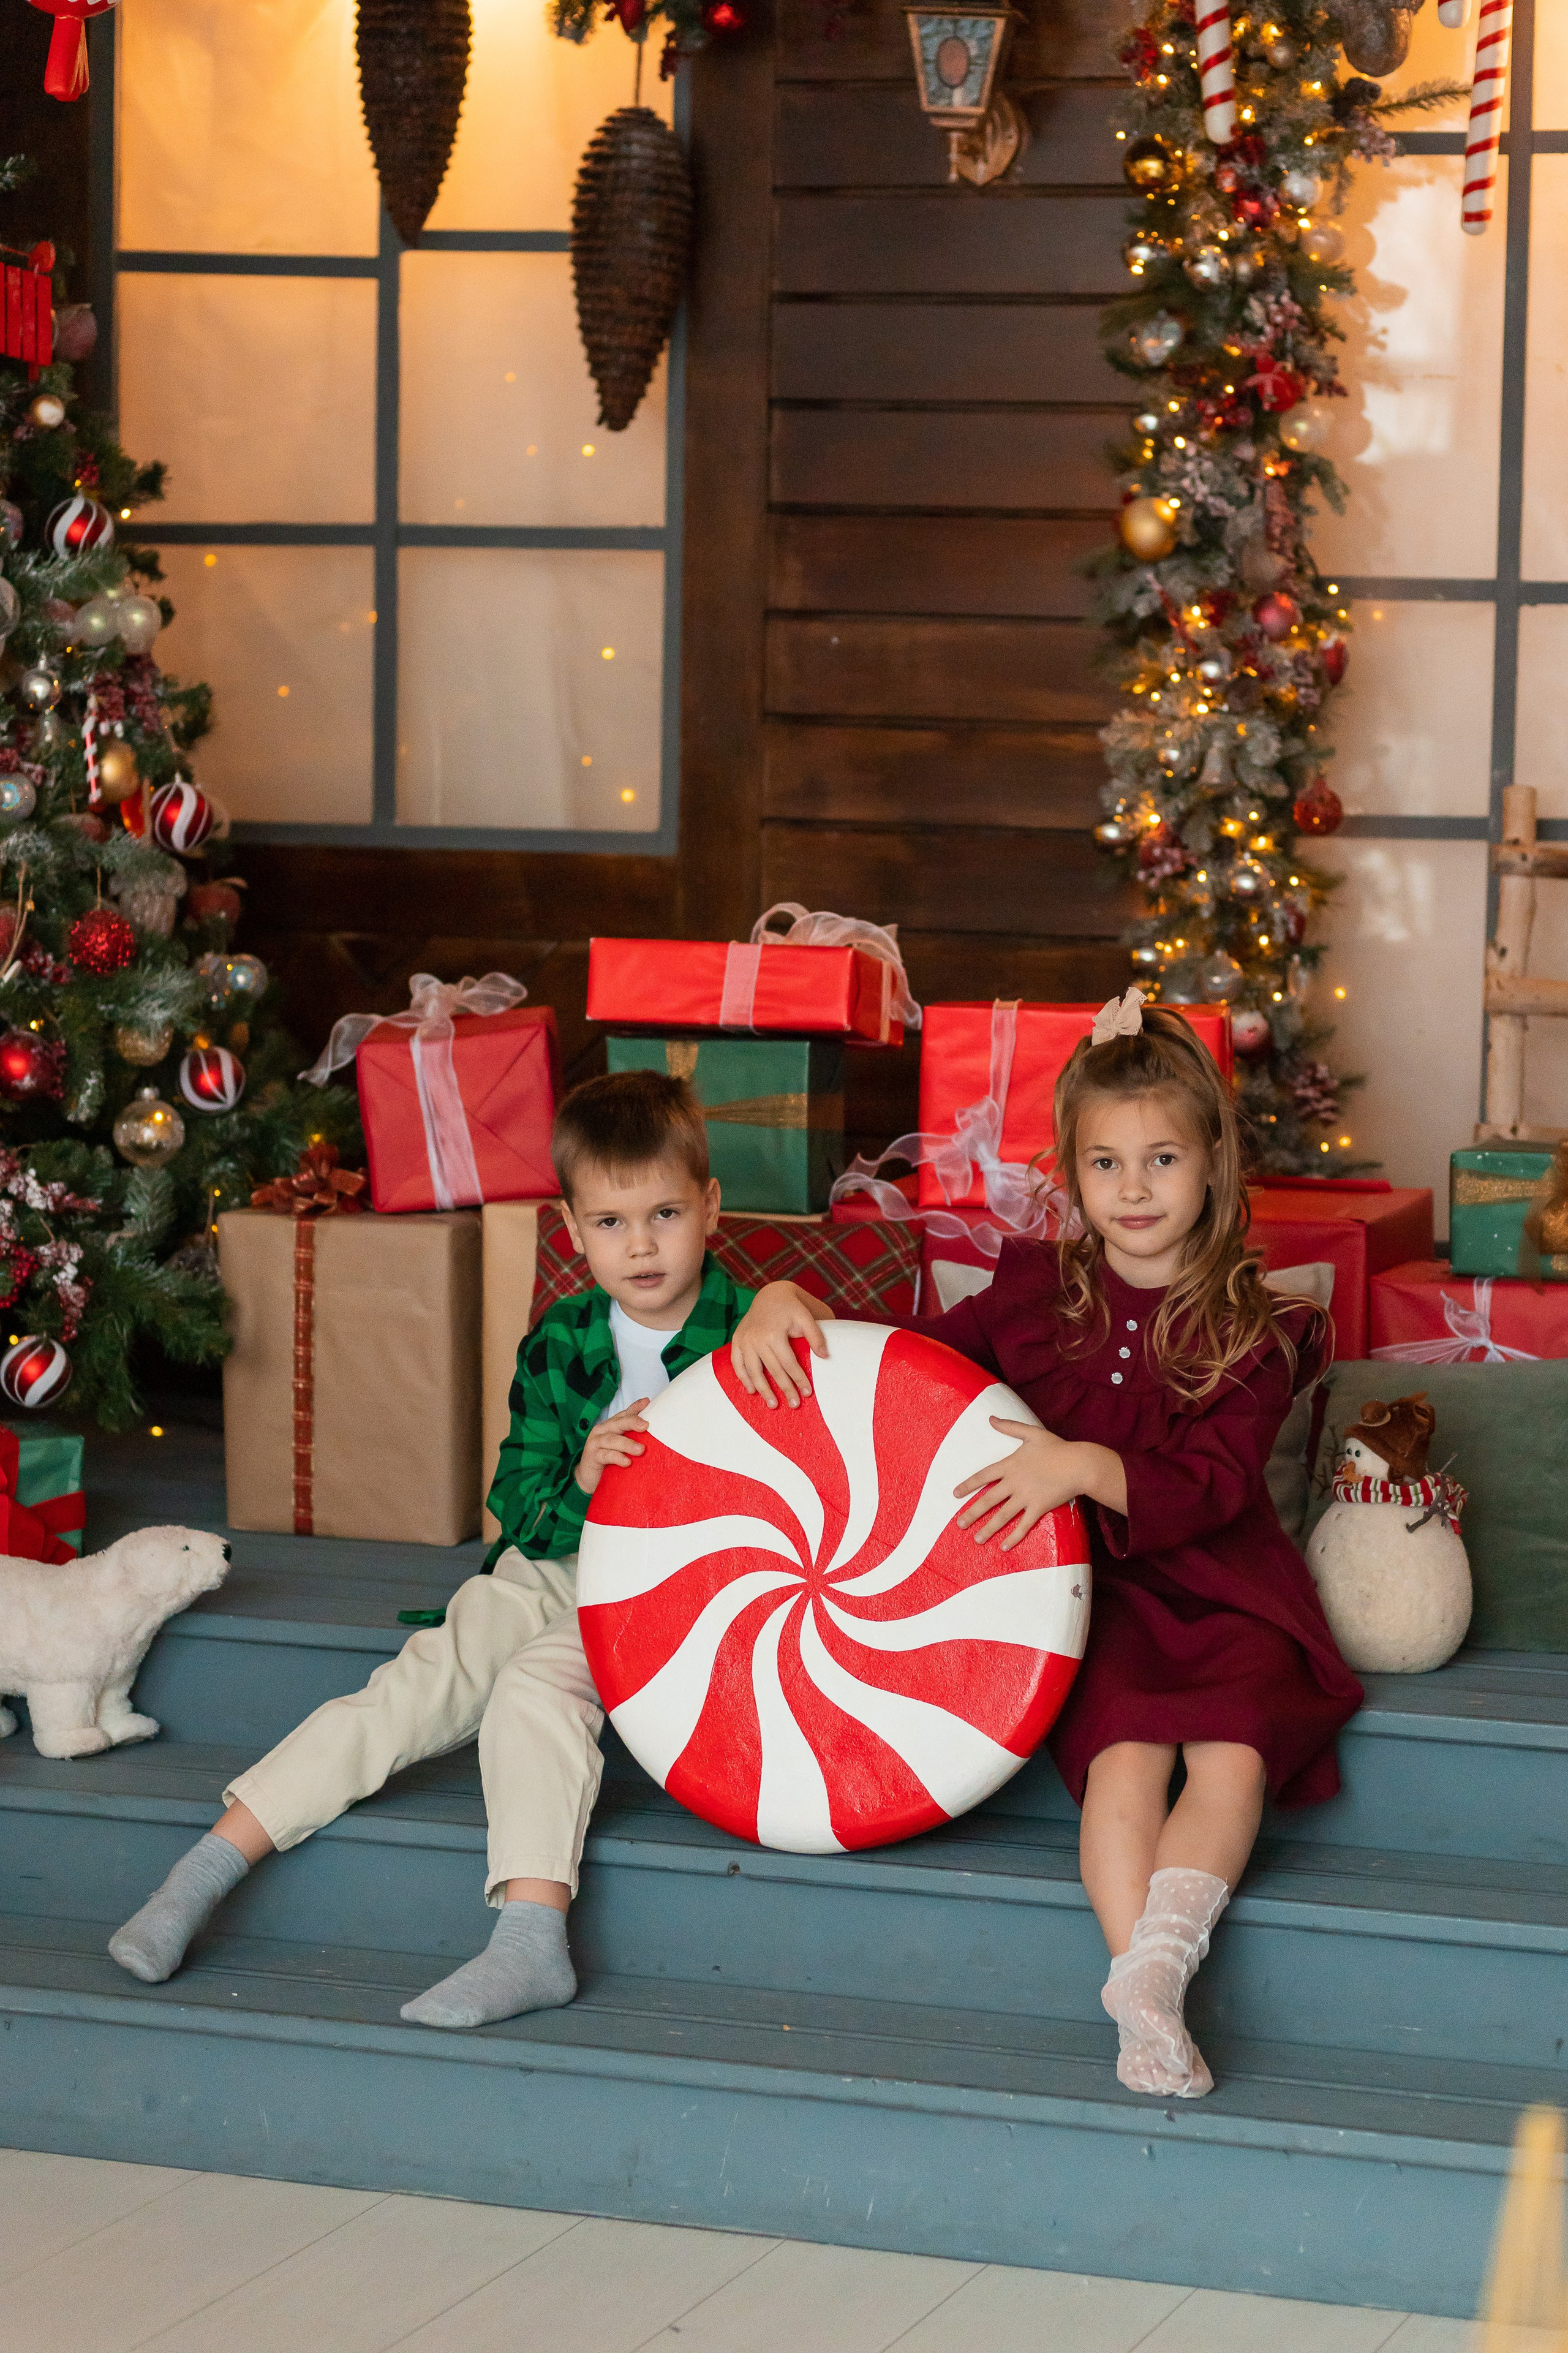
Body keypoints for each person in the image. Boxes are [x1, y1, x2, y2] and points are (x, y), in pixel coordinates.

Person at [728, 991, 1362, 2100]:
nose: (1134, 1189)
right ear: (1073, 1171)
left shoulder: (1257, 1330)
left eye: (1162, 1158)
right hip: (1090, 1589)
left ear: (1212, 1161)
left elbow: (1214, 1484)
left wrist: (1078, 1462)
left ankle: (1157, 1969)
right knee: (1122, 1755)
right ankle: (1141, 1988)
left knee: (1232, 1752)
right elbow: (908, 1367)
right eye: (1107, 1163)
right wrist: (785, 1297)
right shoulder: (1033, 1293)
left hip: (1224, 1585)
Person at [108, 1070, 754, 2028]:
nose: (644, 1243)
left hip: (669, 1588)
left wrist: (784, 1309)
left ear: (709, 1205)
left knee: (535, 1690)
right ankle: (208, 1866)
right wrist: (582, 1479)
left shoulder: (748, 1328)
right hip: (553, 1557)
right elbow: (517, 1507)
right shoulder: (561, 1339)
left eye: (665, 1212)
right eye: (611, 1222)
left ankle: (531, 1941)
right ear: (573, 1228)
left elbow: (786, 1489)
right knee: (419, 1678)